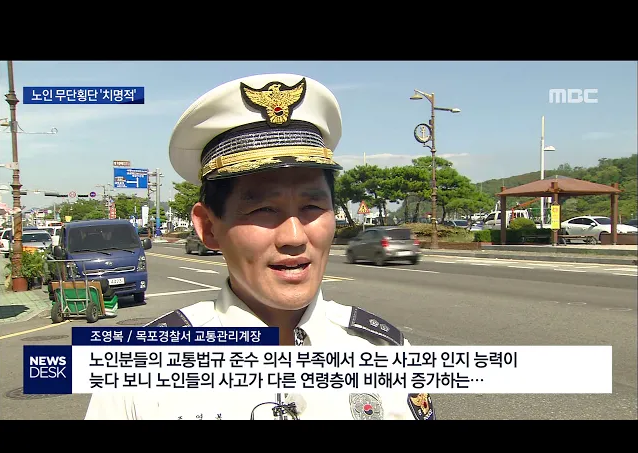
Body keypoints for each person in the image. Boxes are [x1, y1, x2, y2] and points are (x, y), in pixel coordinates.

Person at [84, 73, 436, 420]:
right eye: (264, 210)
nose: (295, 236)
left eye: (313, 207)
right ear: (208, 227)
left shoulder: (385, 352)